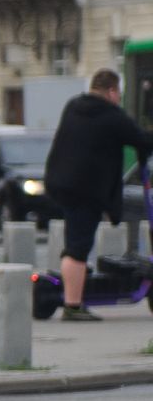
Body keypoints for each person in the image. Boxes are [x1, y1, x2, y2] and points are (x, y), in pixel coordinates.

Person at [44, 68, 153, 320]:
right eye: (119, 94)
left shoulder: (74, 106)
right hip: (86, 189)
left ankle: (73, 297)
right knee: (78, 246)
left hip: (63, 184)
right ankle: (73, 306)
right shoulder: (111, 115)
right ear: (112, 91)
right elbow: (140, 139)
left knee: (76, 239)